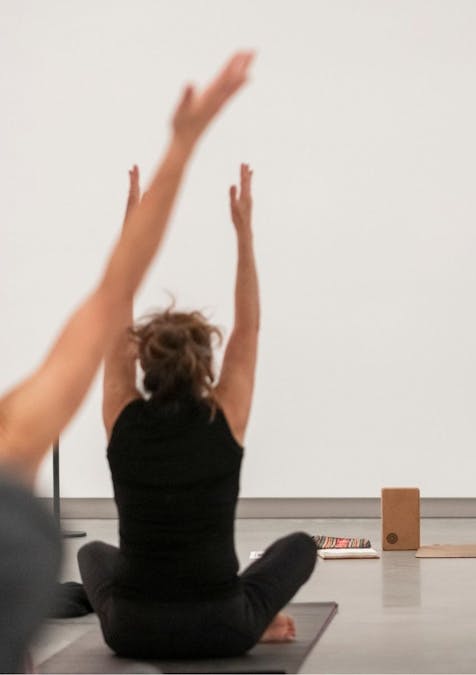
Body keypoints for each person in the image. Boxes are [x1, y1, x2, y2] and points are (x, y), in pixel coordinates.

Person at [0, 51, 254, 673]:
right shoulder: (13, 434)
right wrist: (184, 147)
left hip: (133, 620)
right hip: (214, 618)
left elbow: (113, 309)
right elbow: (114, 300)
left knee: (93, 564)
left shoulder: (109, 417)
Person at [77, 162, 317, 660]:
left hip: (131, 631)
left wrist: (132, 234)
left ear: (144, 363)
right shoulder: (225, 415)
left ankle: (232, 612)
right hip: (225, 626)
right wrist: (244, 231)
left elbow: (115, 314)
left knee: (91, 553)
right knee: (300, 546)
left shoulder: (122, 416)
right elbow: (248, 328)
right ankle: (259, 619)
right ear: (206, 365)